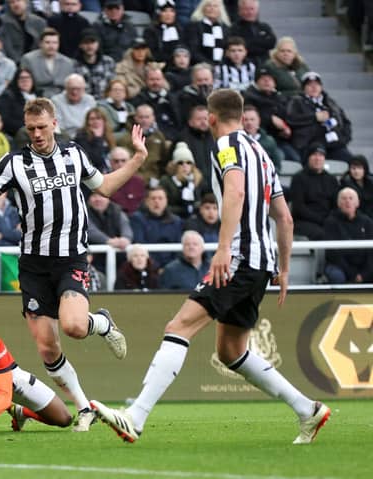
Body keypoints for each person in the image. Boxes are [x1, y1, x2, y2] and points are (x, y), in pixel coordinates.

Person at [90, 88, 331, 446]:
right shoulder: (262, 153)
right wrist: (282, 269)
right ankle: (306, 409)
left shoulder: (226, 145)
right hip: (261, 261)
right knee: (231, 351)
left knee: (179, 326)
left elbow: (234, 192)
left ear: (211, 117)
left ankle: (135, 417)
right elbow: (284, 217)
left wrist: (221, 250)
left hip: (238, 256)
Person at [0, 97, 148, 431]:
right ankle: (84, 407)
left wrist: (137, 158)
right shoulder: (13, 163)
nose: (36, 134)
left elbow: (104, 187)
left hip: (71, 258)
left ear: (55, 124)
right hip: (34, 265)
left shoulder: (74, 154)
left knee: (75, 327)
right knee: (48, 347)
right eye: (31, 128)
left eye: (42, 127)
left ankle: (101, 324)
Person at [286, 71, 352, 164]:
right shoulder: (296, 101)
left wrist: (343, 139)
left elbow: (345, 122)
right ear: (303, 88)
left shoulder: (330, 102)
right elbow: (291, 119)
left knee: (354, 162)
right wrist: (314, 117)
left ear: (321, 87)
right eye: (310, 85)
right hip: (310, 145)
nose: (314, 87)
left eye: (317, 84)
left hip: (334, 144)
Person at [323, 187, 373, 284]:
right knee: (337, 275)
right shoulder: (330, 222)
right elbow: (333, 254)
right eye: (344, 198)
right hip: (339, 265)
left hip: (363, 265)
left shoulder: (367, 222)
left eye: (351, 198)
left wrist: (365, 274)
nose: (347, 201)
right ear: (338, 203)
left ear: (357, 203)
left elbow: (371, 253)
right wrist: (353, 274)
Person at [289, 144, 339, 240]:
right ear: (308, 158)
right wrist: (321, 220)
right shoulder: (298, 178)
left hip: (328, 220)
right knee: (322, 234)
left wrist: (329, 219)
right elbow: (298, 208)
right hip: (304, 221)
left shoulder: (331, 179)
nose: (317, 158)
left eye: (321, 155)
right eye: (314, 155)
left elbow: (335, 205)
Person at [130, 63, 181, 142]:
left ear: (163, 80)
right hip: (150, 139)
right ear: (146, 81)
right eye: (152, 79)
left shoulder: (174, 99)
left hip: (175, 137)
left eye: (158, 79)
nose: (155, 83)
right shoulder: (139, 100)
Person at [19, 27, 74, 99]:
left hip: (63, 100)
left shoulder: (67, 62)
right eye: (47, 42)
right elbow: (24, 83)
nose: (51, 46)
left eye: (55, 43)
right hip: (36, 98)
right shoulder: (28, 59)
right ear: (40, 43)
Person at [159, 142, 204, 219]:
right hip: (172, 219)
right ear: (174, 165)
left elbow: (200, 202)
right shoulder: (166, 181)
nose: (185, 166)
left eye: (188, 162)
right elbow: (164, 206)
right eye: (180, 163)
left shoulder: (197, 180)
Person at [228, 0, 276, 66]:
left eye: (252, 9)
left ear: (257, 10)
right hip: (245, 66)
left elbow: (272, 43)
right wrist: (262, 43)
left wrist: (251, 42)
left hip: (265, 66)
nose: (249, 12)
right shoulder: (234, 28)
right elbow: (240, 47)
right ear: (240, 11)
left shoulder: (265, 27)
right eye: (246, 9)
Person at [73, 27, 115, 101]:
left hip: (105, 103)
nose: (90, 46)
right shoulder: (74, 65)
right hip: (81, 103)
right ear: (80, 45)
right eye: (86, 42)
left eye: (92, 42)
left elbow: (113, 85)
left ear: (98, 44)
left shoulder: (108, 62)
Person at [184, 0, 230, 65]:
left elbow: (228, 50)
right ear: (202, 8)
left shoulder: (225, 28)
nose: (212, 8)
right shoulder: (194, 26)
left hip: (221, 66)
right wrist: (210, 64)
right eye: (209, 6)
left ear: (220, 10)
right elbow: (193, 51)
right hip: (199, 65)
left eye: (215, 6)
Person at [51, 73, 96, 138]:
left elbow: (93, 123)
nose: (74, 92)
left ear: (84, 89)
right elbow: (58, 126)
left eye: (78, 89)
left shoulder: (90, 100)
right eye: (71, 89)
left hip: (87, 136)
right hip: (66, 137)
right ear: (66, 88)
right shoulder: (56, 101)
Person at [73, 107, 116, 174]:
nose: (95, 121)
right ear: (87, 122)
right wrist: (97, 138)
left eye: (98, 118)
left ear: (104, 121)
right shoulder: (81, 137)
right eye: (92, 119)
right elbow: (95, 159)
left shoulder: (108, 135)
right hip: (93, 173)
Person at [340, 155, 373, 219]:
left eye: (359, 168)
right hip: (356, 218)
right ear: (349, 170)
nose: (356, 171)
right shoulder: (345, 184)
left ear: (365, 169)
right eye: (353, 168)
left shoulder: (371, 182)